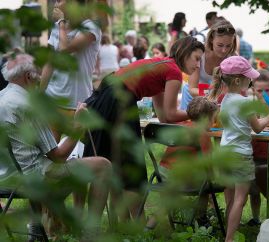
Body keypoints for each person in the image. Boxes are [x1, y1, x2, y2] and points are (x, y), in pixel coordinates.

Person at [83, 36, 204, 221]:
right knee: (131, 166)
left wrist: (188, 114)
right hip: (118, 99)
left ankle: (111, 225)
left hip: (106, 94)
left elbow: (164, 116)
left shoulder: (163, 66)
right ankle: (138, 223)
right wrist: (198, 112)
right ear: (185, 53)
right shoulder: (173, 72)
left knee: (107, 163)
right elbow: (171, 115)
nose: (198, 65)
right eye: (196, 58)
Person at [0, 54, 112, 237]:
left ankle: (40, 227)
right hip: (35, 179)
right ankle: (91, 234)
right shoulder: (28, 105)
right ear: (28, 76)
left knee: (74, 162)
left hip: (7, 178)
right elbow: (58, 156)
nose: (41, 78)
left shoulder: (2, 97)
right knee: (103, 166)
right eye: (38, 73)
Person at [210, 56, 269, 242]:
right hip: (241, 156)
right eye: (249, 77)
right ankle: (230, 239)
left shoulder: (225, 100)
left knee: (231, 200)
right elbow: (257, 127)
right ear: (238, 80)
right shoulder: (245, 103)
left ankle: (227, 235)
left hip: (224, 153)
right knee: (240, 201)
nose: (251, 80)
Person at [40, 0, 102, 141]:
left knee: (81, 156)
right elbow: (50, 63)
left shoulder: (91, 27)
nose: (55, 3)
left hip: (78, 104)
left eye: (59, 0)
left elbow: (65, 49)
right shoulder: (57, 27)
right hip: (52, 100)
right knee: (52, 157)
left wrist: (61, 22)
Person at [158, 96, 218, 226]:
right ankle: (202, 218)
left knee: (165, 206)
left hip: (162, 174)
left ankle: (154, 226)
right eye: (213, 119)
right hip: (178, 179)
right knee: (206, 183)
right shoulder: (202, 134)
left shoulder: (181, 127)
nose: (214, 122)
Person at [246, 69, 269, 226]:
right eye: (260, 91)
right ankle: (255, 218)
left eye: (267, 90)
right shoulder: (250, 107)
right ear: (253, 89)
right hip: (251, 153)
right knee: (253, 190)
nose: (264, 94)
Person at [180, 20, 237, 110]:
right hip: (193, 98)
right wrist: (211, 93)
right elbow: (192, 88)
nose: (224, 50)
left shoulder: (233, 57)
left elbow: (234, 87)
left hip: (215, 100)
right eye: (220, 45)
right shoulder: (199, 53)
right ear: (211, 40)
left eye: (228, 46)